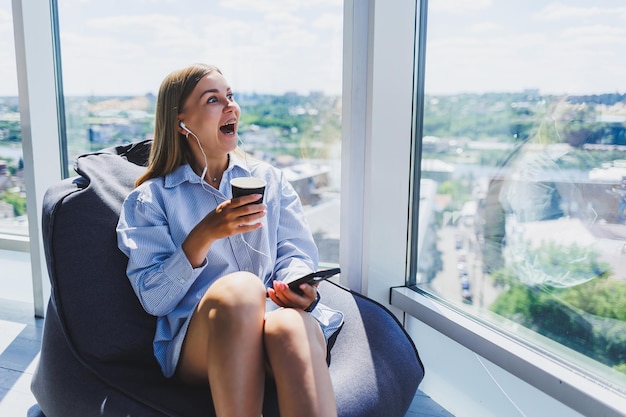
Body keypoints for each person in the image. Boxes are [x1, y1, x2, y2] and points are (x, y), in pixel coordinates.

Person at [116, 63, 343, 417]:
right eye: (212, 99)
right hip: (202, 343)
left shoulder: (270, 179)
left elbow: (294, 252)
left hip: (274, 318)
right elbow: (154, 299)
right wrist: (204, 235)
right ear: (182, 122)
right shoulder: (151, 200)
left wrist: (297, 284)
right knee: (240, 289)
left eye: (230, 96)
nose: (230, 106)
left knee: (289, 326)